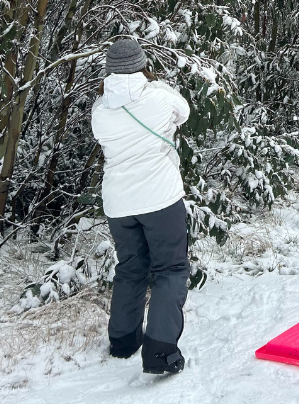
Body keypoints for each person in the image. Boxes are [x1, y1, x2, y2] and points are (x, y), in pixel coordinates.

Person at [91, 39, 191, 374]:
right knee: (170, 269)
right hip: (160, 197)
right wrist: (157, 83)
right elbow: (184, 112)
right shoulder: (158, 95)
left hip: (119, 204)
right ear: (142, 64)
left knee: (131, 269)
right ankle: (161, 353)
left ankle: (123, 341)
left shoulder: (100, 109)